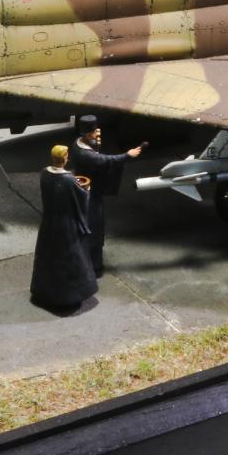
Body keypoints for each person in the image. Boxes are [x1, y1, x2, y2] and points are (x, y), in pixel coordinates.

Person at [68, 115, 143, 276]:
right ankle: (93, 267)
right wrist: (128, 155)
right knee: (93, 230)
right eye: (94, 132)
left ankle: (90, 263)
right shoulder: (86, 155)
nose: (97, 134)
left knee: (93, 228)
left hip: (87, 189)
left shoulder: (77, 143)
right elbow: (107, 160)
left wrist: (96, 143)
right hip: (90, 194)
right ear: (87, 134)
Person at [29, 145, 98, 312]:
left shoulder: (44, 173)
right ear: (64, 158)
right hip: (67, 225)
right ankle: (69, 296)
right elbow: (80, 197)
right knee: (70, 257)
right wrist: (86, 190)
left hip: (49, 222)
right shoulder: (68, 179)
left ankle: (46, 292)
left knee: (48, 256)